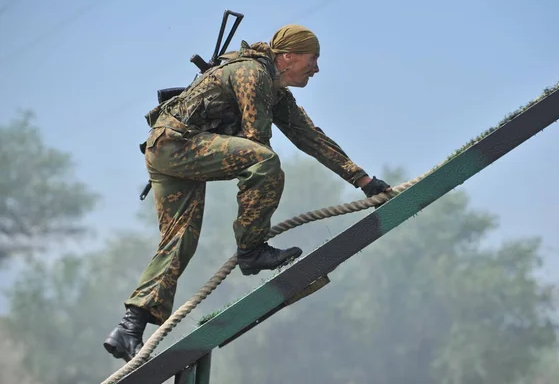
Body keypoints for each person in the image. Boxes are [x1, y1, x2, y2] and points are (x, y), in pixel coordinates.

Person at [103, 24, 391, 362]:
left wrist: (363, 180)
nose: (316, 68)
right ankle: (252, 250)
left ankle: (128, 328)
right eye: (311, 59)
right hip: (178, 145)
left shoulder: (276, 90)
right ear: (287, 57)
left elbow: (309, 137)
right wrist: (253, 230)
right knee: (264, 161)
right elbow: (256, 143)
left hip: (168, 147)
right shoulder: (252, 74)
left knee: (180, 239)